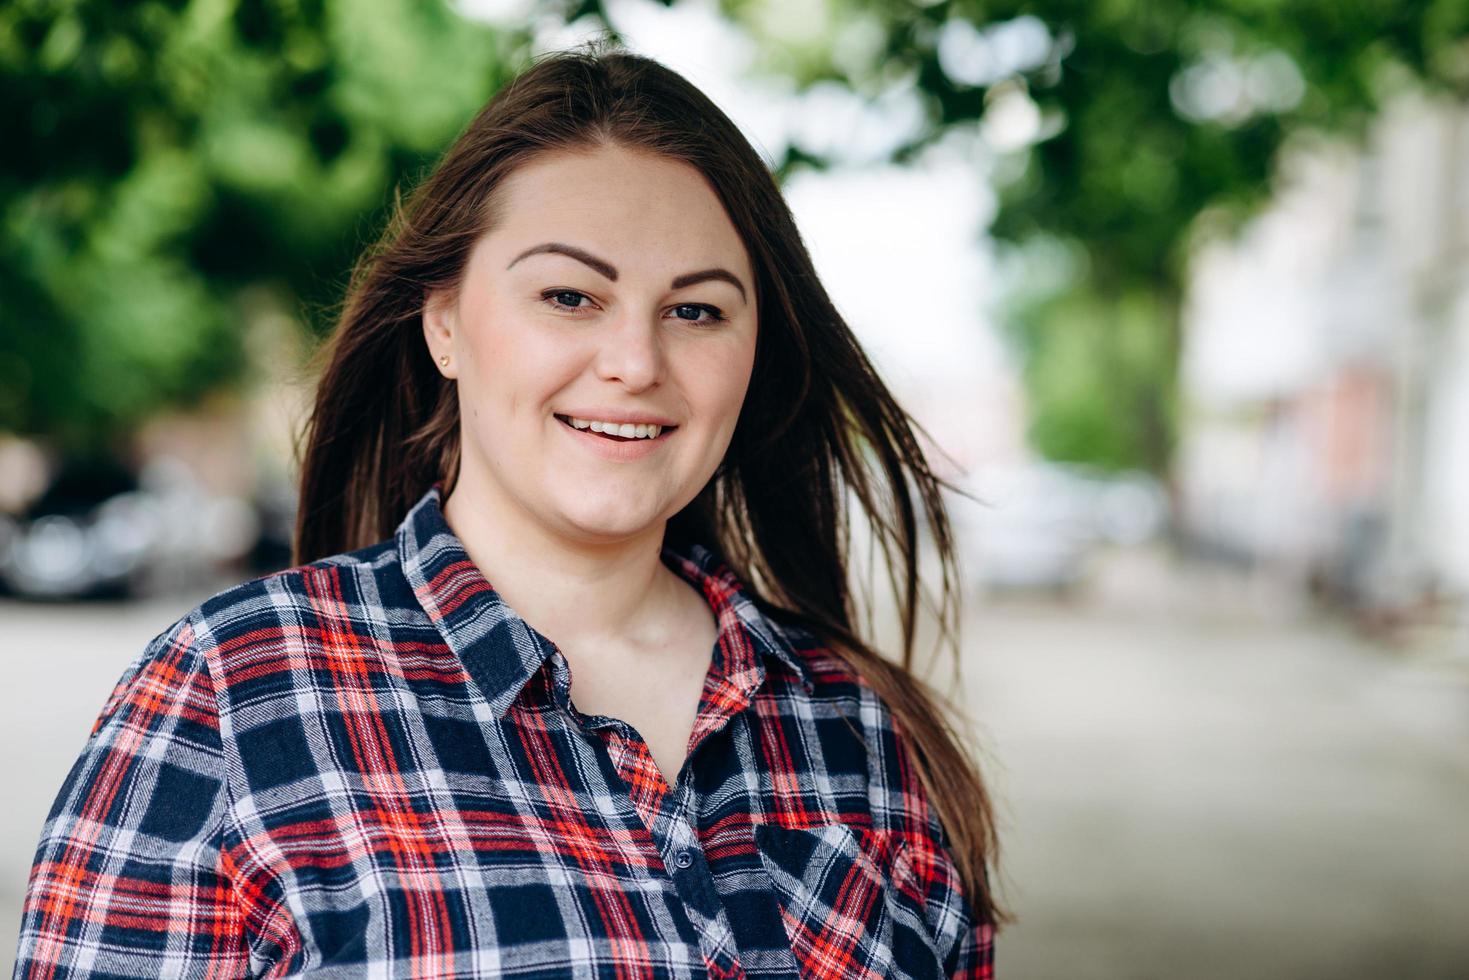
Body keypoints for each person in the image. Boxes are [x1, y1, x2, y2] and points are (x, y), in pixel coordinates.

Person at [14, 40, 1006, 979]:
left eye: (695, 309)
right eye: (570, 296)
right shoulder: (229, 701)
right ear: (444, 321)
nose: (633, 362)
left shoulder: (856, 731)